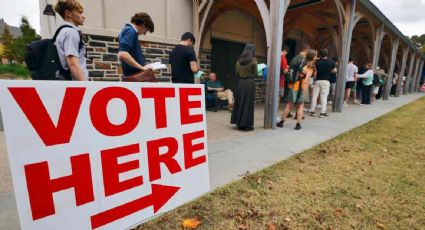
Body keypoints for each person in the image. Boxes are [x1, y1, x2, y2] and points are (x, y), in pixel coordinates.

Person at [277, 49, 317, 130]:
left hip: (293, 85)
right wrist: (305, 91)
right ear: (312, 57)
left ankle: (281, 123)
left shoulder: (301, 63)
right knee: (300, 106)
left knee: (289, 105)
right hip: (301, 88)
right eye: (316, 56)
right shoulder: (310, 67)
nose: (316, 57)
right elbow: (306, 81)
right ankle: (298, 125)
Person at [53, 0, 88, 81]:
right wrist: (86, 86)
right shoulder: (71, 33)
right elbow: (73, 64)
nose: (83, 16)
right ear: (68, 13)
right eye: (80, 12)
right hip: (75, 84)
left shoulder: (62, 31)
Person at [118, 12, 155, 80]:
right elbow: (123, 54)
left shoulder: (129, 31)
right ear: (143, 24)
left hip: (133, 75)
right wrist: (141, 67)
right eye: (146, 30)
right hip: (135, 76)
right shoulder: (130, 31)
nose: (144, 34)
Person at [231, 43, 258, 131]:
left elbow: (237, 73)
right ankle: (246, 125)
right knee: (248, 103)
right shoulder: (253, 60)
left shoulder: (238, 60)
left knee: (239, 102)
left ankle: (238, 123)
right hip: (249, 83)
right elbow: (256, 74)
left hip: (240, 83)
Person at [310, 49, 336, 118]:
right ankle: (322, 112)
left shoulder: (316, 62)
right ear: (327, 54)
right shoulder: (331, 62)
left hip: (317, 80)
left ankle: (312, 111)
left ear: (320, 55)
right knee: (324, 97)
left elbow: (315, 72)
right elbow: (334, 70)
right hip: (326, 81)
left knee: (314, 96)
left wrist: (314, 81)